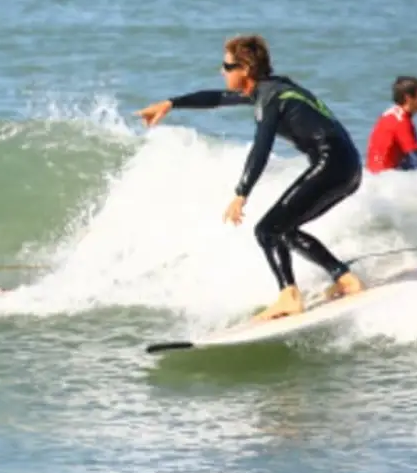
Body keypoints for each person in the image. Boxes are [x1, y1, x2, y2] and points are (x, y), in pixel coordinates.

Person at [135, 34, 365, 321]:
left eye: (227, 66)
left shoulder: (270, 98)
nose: (222, 71)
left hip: (331, 162)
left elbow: (262, 146)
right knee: (285, 229)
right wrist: (170, 104)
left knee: (267, 231)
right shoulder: (275, 88)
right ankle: (345, 279)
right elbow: (216, 98)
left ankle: (289, 297)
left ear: (245, 69)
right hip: (349, 166)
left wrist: (241, 193)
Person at [366, 76, 417, 173]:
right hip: (387, 179)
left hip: (374, 175)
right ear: (408, 98)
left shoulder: (389, 114)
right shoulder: (402, 121)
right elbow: (416, 160)